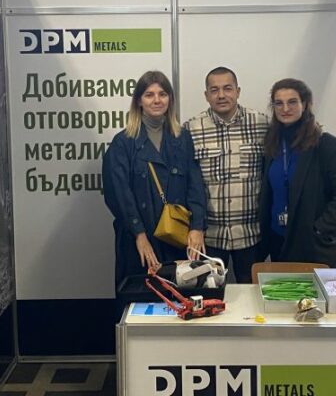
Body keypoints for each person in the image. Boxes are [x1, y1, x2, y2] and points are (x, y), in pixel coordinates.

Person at [102, 70, 208, 285]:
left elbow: (195, 185)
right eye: (149, 95)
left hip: (176, 239)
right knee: (140, 296)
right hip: (140, 241)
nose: (157, 100)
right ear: (139, 101)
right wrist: (139, 234)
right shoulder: (124, 143)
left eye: (162, 94)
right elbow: (119, 195)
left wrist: (197, 227)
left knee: (179, 298)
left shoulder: (182, 138)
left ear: (170, 99)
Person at [184, 67, 268, 283]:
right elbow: (187, 183)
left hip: (251, 234)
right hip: (208, 237)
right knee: (208, 295)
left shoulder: (262, 124)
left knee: (251, 295)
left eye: (227, 88)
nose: (221, 95)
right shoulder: (191, 129)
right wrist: (195, 226)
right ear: (206, 95)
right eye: (214, 90)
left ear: (238, 91)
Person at [260, 78, 336, 268]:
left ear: (305, 104)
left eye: (292, 102)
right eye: (279, 103)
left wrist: (321, 228)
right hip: (279, 241)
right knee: (285, 289)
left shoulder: (325, 144)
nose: (285, 108)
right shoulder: (272, 143)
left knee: (317, 289)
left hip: (313, 244)